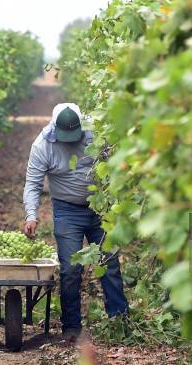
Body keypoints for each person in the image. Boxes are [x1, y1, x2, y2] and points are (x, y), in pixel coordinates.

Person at [23, 103, 128, 341]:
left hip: (100, 208)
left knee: (109, 262)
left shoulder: (97, 132)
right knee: (71, 269)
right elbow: (33, 183)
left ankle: (119, 320)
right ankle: (71, 327)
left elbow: (116, 164)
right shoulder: (43, 145)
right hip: (67, 211)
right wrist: (31, 215)